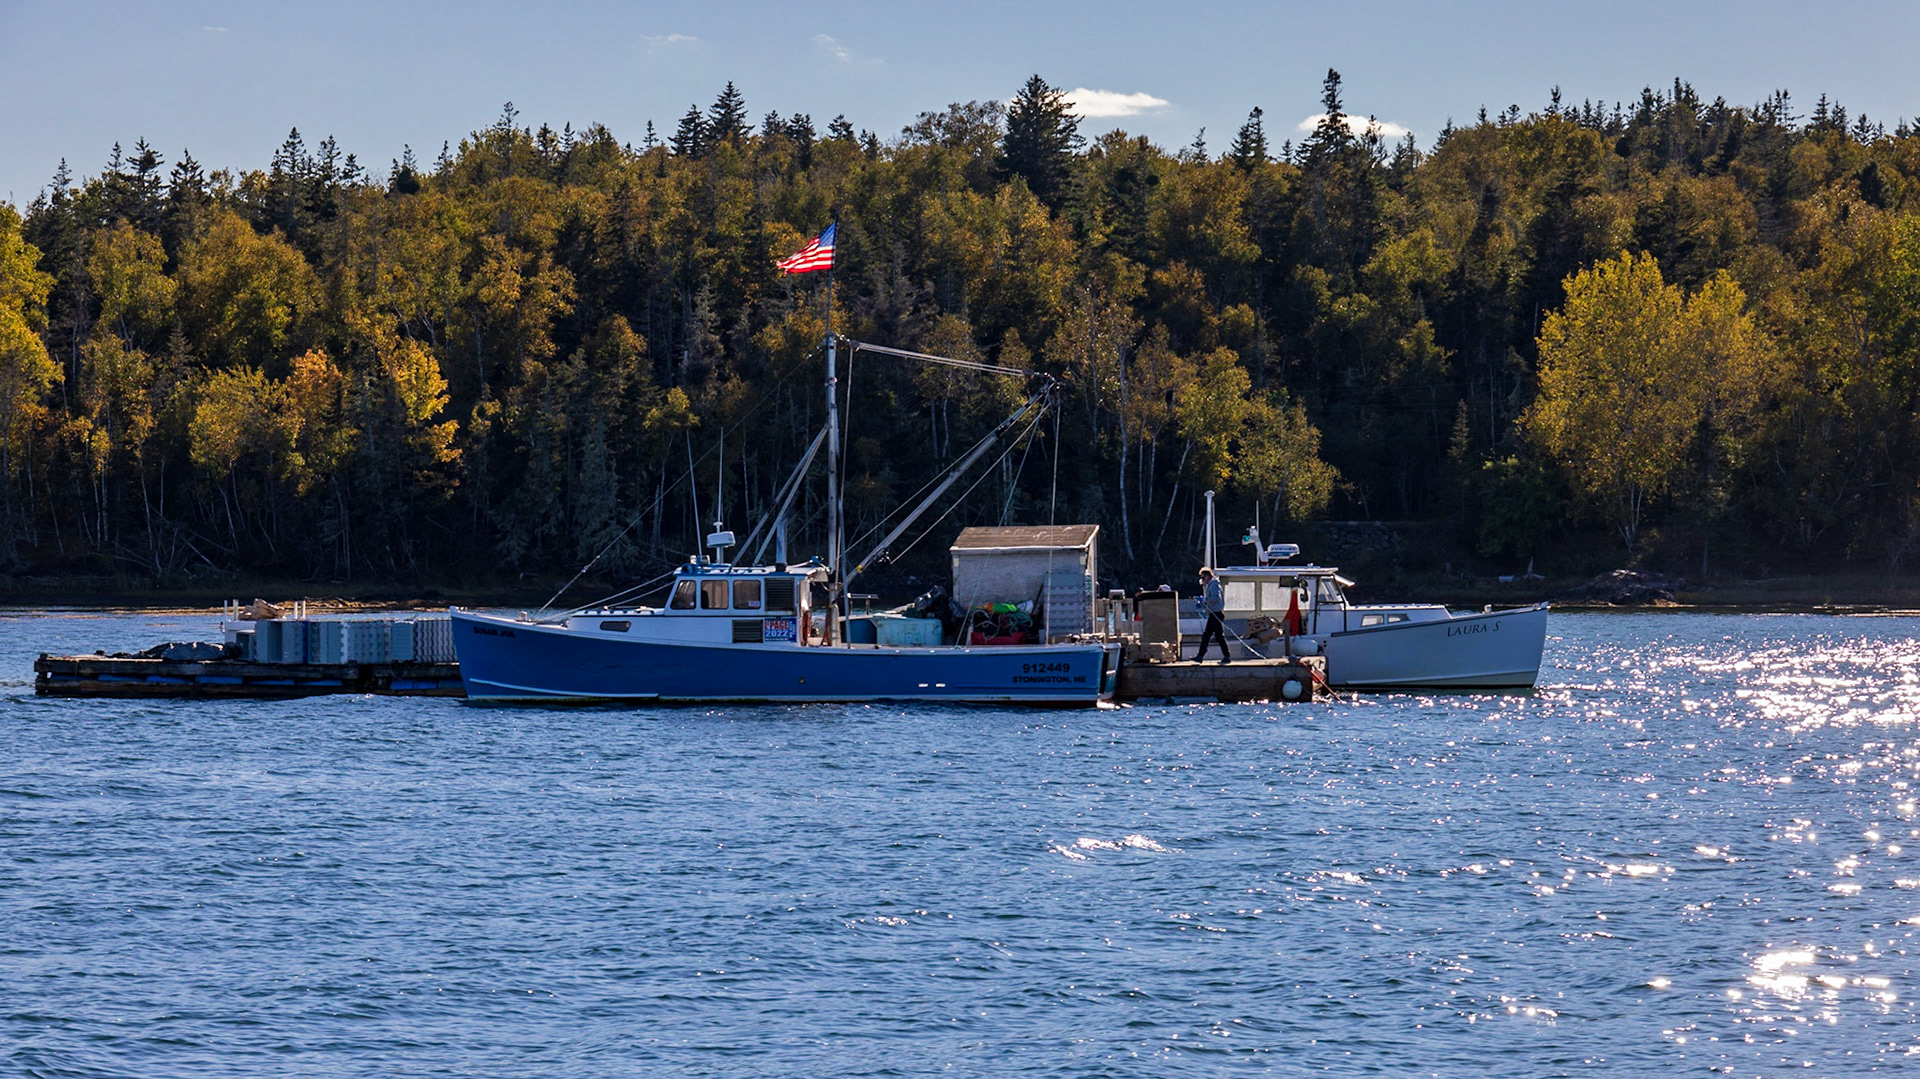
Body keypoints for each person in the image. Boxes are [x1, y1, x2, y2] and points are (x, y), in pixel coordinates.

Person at [1195, 568, 1230, 663]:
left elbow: (1216, 598)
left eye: (1203, 578)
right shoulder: (1210, 585)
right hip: (1213, 614)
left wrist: (1205, 600)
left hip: (1216, 614)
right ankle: (1200, 656)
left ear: (1207, 577)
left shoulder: (1214, 585)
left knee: (1219, 636)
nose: (1202, 580)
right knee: (1206, 635)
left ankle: (1227, 656)